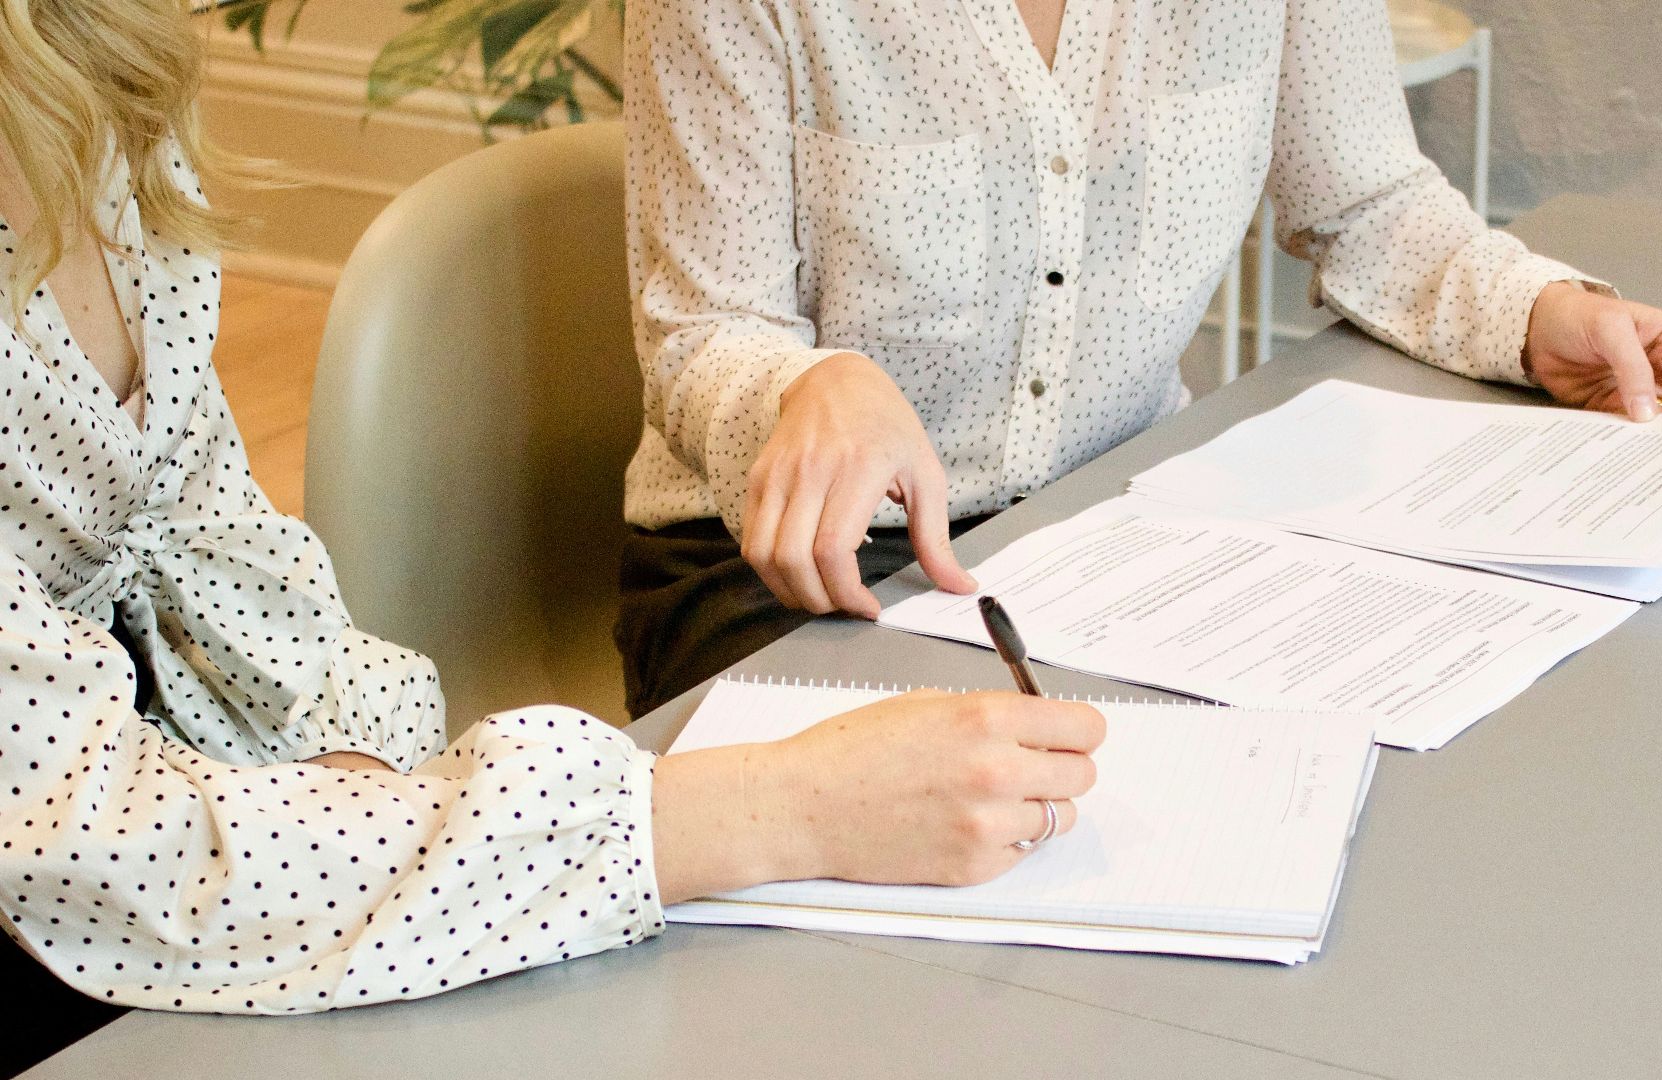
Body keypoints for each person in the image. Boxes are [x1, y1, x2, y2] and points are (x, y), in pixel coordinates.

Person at [0, 0, 1102, 1053]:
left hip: (217, 843)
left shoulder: (87, 75)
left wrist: (352, 771)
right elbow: (100, 844)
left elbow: (210, 541)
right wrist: (788, 806)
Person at [616, 0, 1662, 716]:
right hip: (785, 571)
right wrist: (807, 388)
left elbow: (1365, 199)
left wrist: (1535, 309)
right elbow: (702, 332)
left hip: (1110, 537)